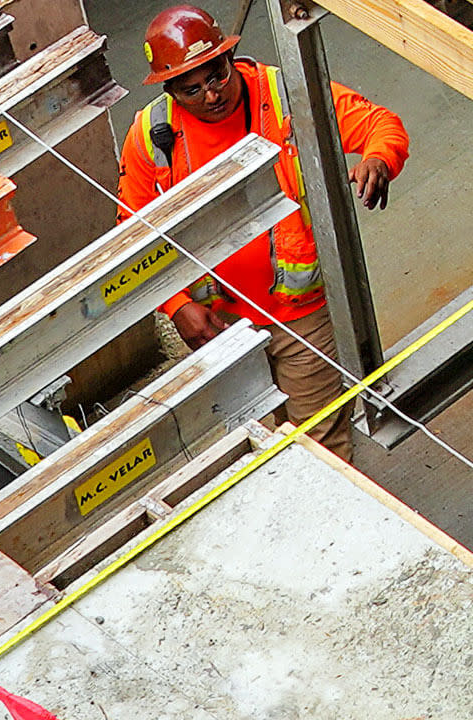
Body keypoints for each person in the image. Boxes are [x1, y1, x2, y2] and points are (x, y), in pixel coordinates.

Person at [117, 4, 409, 462]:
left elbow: (378, 124)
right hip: (217, 325)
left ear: (229, 60)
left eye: (217, 76)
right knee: (249, 451)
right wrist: (177, 306)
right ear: (171, 90)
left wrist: (379, 158)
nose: (211, 95)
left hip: (302, 318)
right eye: (192, 89)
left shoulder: (284, 94)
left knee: (320, 451)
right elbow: (133, 235)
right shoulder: (151, 136)